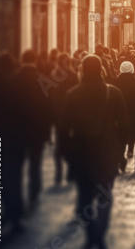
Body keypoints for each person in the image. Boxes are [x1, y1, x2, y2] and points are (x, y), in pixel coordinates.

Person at [60, 55, 128, 248]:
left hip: (81, 154)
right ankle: (99, 236)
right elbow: (124, 126)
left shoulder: (72, 94)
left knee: (84, 199)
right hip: (107, 153)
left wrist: (65, 153)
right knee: (104, 196)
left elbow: (64, 128)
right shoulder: (113, 93)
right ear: (101, 70)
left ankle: (92, 236)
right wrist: (121, 152)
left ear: (82, 70)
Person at [10, 50, 53, 206]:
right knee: (35, 162)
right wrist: (48, 132)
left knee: (17, 166)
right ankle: (34, 192)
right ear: (35, 60)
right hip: (37, 130)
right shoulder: (43, 80)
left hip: (17, 131)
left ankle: (16, 201)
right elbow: (48, 109)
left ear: (22, 60)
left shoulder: (13, 79)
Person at [50, 53, 79, 185]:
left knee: (59, 143)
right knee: (72, 143)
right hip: (72, 114)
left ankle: (58, 172)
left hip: (58, 116)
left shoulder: (54, 76)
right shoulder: (74, 76)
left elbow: (51, 97)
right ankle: (71, 171)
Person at [114, 61, 135, 171]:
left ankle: (120, 160)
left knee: (119, 139)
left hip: (119, 116)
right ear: (132, 69)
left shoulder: (115, 82)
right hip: (134, 115)